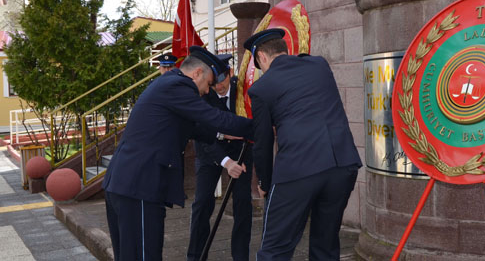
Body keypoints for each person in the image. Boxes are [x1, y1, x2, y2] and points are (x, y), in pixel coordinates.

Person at [102, 46, 252, 261]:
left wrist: (223, 136)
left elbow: (191, 128)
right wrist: (258, 127)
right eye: (208, 84)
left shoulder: (168, 84)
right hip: (139, 187)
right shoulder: (178, 85)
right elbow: (214, 117)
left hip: (126, 184)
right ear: (197, 73)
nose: (207, 91)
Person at [245, 29, 362, 260]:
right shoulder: (319, 65)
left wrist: (264, 183)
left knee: (275, 248)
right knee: (326, 245)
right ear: (285, 50)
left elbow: (263, 142)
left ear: (262, 58)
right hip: (343, 164)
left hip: (299, 170)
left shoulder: (261, 88)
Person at [187, 54, 252, 261]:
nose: (218, 87)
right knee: (202, 203)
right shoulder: (203, 94)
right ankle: (196, 256)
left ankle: (240, 256)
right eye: (214, 83)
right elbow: (202, 134)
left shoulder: (244, 91)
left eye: (222, 80)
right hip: (210, 151)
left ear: (230, 74)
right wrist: (225, 161)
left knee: (242, 204)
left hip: (240, 152)